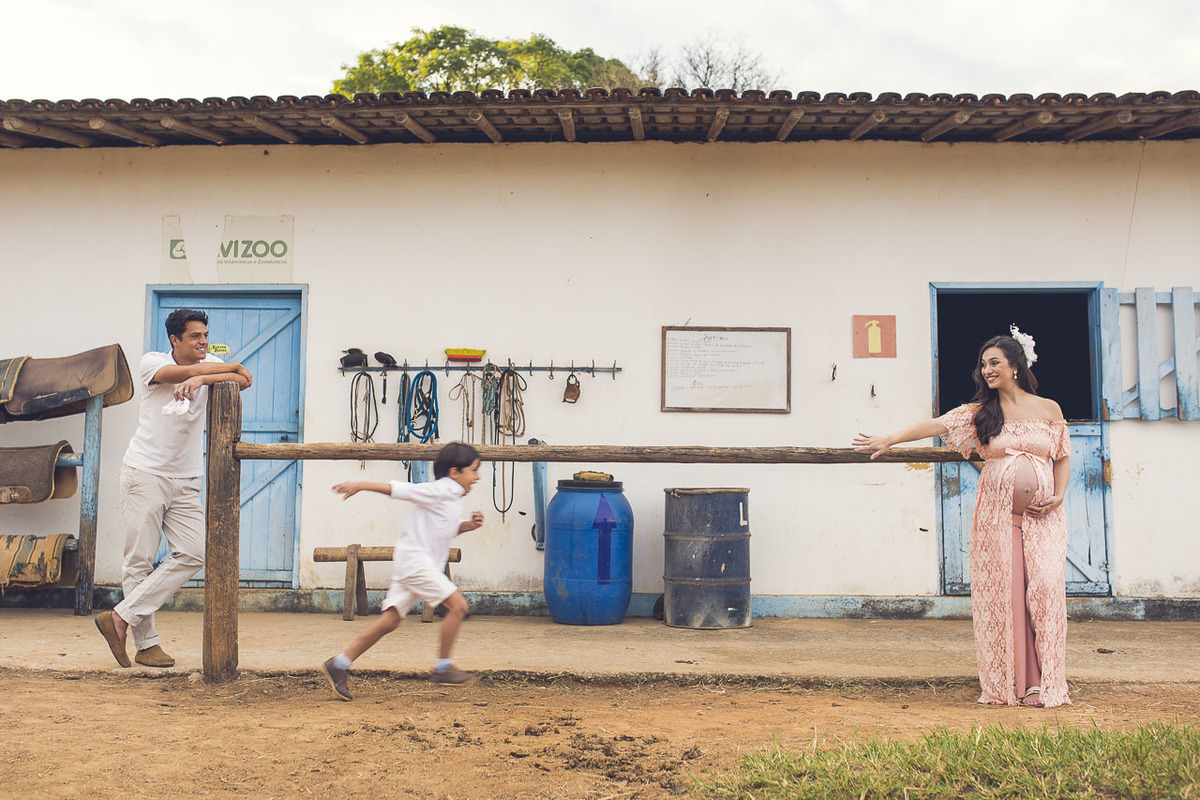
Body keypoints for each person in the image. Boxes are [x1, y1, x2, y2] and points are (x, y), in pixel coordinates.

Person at [853, 326, 1071, 708]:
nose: (987, 370)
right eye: (983, 364)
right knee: (1009, 597)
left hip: (1043, 518)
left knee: (1046, 590)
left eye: (994, 363)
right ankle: (1022, 684)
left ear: (1015, 365)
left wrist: (1058, 495)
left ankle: (1048, 677)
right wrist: (889, 438)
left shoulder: (1049, 408)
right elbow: (935, 425)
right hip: (999, 520)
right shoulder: (981, 412)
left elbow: (1063, 457)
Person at [95, 309, 252, 668]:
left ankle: (119, 617)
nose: (203, 342)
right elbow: (196, 373)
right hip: (144, 474)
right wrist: (208, 375)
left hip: (185, 479)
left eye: (205, 335)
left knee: (194, 553)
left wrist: (202, 381)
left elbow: (245, 376)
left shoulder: (208, 363)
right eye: (195, 336)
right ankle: (146, 645)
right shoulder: (151, 362)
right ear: (175, 340)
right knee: (139, 561)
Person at [320, 441, 484, 701]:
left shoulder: (451, 498)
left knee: (391, 620)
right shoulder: (441, 490)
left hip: (412, 563)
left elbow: (447, 528)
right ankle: (442, 667)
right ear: (454, 472)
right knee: (458, 607)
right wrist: (360, 484)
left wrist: (468, 526)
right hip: (417, 564)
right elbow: (402, 489)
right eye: (473, 470)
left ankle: (339, 664)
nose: (477, 477)